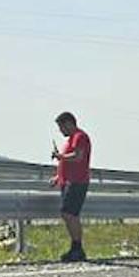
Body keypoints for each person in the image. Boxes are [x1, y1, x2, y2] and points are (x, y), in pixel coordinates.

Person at [50, 110, 92, 262]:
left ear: (69, 123)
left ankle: (77, 248)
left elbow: (78, 156)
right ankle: (75, 248)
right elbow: (68, 162)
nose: (61, 131)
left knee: (69, 214)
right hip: (68, 181)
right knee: (69, 214)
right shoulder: (70, 140)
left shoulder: (80, 137)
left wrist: (60, 156)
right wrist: (58, 176)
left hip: (77, 182)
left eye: (62, 128)